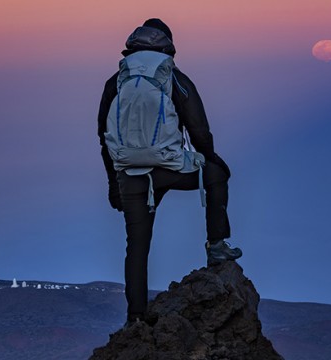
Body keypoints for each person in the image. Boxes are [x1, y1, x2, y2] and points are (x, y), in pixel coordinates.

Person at [96, 18, 242, 326]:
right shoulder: (173, 77)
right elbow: (199, 129)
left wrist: (113, 184)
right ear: (167, 45)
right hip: (171, 168)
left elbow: (103, 136)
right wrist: (212, 159)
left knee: (137, 246)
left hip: (131, 175)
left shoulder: (116, 82)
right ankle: (217, 246)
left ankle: (135, 318)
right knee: (218, 176)